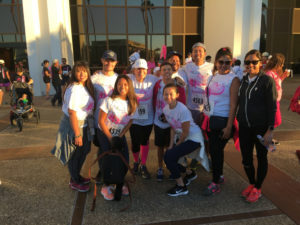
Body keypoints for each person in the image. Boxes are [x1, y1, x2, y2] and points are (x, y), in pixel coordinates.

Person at [237, 49, 277, 203]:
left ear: (261, 63)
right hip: (244, 127)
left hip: (261, 129)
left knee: (261, 158)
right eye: (248, 62)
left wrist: (270, 129)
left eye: (254, 62)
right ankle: (252, 183)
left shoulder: (267, 81)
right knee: (246, 159)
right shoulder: (244, 80)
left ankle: (258, 188)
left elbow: (272, 106)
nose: (251, 65)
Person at [202, 47, 240, 196]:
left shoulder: (233, 79)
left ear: (231, 63)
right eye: (221, 62)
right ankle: (220, 175)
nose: (224, 65)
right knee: (214, 150)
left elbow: (233, 105)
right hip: (211, 118)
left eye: (227, 62)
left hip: (223, 120)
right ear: (216, 62)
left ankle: (215, 182)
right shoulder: (212, 77)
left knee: (216, 151)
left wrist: (229, 126)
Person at [52, 61, 95, 192]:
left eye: (84, 71)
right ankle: (75, 180)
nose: (81, 74)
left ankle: (77, 176)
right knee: (75, 153)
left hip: (84, 123)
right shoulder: (74, 89)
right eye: (78, 71)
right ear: (74, 73)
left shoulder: (84, 86)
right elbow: (71, 112)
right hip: (75, 124)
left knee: (84, 150)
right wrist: (77, 133)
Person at [98, 74, 138, 200]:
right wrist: (111, 139)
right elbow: (101, 121)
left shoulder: (132, 103)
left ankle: (120, 180)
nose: (122, 87)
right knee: (108, 157)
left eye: (125, 84)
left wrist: (120, 136)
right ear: (116, 86)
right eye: (119, 84)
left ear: (129, 87)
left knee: (124, 156)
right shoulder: (109, 100)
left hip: (119, 134)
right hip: (105, 133)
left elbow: (130, 121)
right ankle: (106, 185)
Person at [163, 83, 203, 196]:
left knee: (170, 157)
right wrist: (171, 146)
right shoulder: (166, 109)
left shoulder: (182, 110)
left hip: (194, 138)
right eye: (166, 94)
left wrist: (177, 146)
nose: (168, 96)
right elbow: (173, 127)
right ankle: (190, 173)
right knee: (167, 156)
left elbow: (185, 132)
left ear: (177, 95)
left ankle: (181, 187)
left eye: (171, 94)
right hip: (183, 136)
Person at [153, 62, 186, 181]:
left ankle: (172, 167)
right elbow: (153, 99)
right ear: (160, 72)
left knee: (171, 146)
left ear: (172, 71)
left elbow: (182, 102)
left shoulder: (177, 84)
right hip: (158, 121)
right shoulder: (157, 84)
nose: (166, 72)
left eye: (169, 69)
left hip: (173, 122)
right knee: (160, 146)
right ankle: (160, 167)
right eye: (164, 70)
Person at [127, 58, 159, 179]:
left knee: (144, 140)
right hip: (134, 117)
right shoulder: (129, 79)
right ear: (134, 70)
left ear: (147, 71)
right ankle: (136, 162)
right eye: (138, 69)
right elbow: (116, 79)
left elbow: (165, 78)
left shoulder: (152, 79)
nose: (141, 72)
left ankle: (143, 165)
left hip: (148, 117)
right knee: (135, 142)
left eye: (144, 70)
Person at [92, 50, 118, 182]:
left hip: (115, 122)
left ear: (116, 63)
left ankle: (111, 171)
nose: (109, 63)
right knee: (103, 148)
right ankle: (102, 172)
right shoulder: (94, 78)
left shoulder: (118, 79)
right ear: (102, 60)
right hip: (99, 120)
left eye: (112, 60)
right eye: (106, 60)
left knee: (113, 148)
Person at [264, 53, 290, 145]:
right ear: (277, 64)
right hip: (272, 101)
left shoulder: (274, 73)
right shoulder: (269, 74)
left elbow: (277, 85)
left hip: (276, 101)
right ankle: (267, 137)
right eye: (282, 63)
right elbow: (269, 88)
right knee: (275, 120)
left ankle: (267, 136)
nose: (283, 65)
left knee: (275, 121)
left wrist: (282, 77)